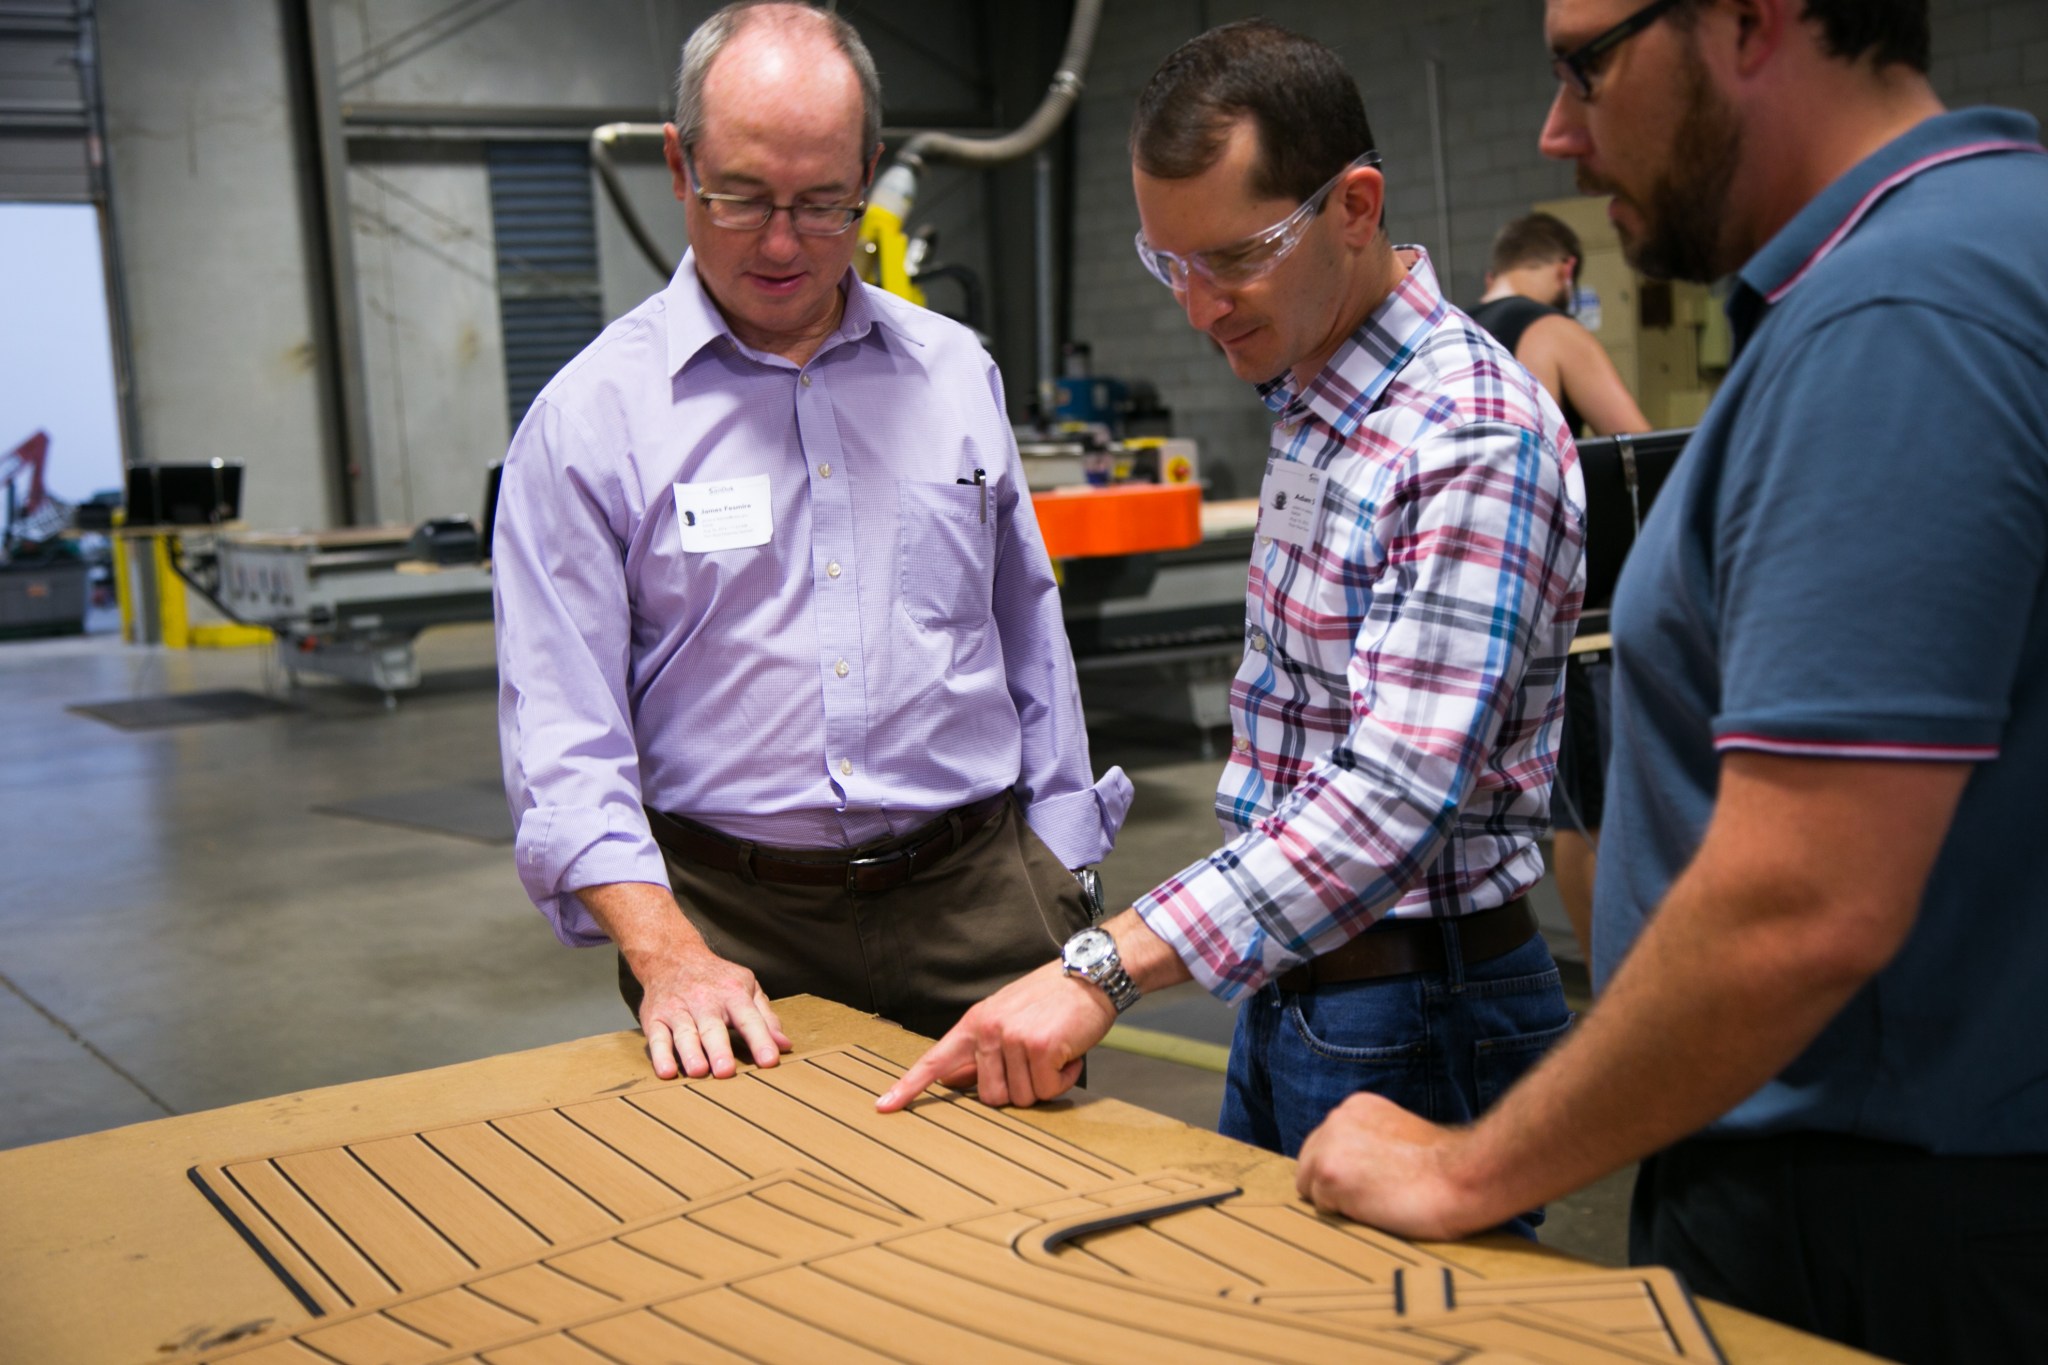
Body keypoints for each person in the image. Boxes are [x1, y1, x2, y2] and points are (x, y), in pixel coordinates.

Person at [1292, 1, 2048, 1358]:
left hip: (1877, 1223)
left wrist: (1472, 1167)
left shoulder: (1895, 316)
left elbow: (1798, 904)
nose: (1559, 131)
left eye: (1587, 62)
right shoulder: (1984, 244)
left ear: (1752, 21)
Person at [881, 21, 1585, 1237]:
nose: (1201, 307)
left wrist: (1102, 968)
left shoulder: (1466, 433)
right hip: (1292, 983)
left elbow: (1388, 797)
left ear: (1353, 204)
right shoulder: (1316, 391)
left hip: (1420, 1013)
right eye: (1169, 266)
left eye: (1233, 259)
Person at [492, 1, 1130, 1084]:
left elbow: (1026, 626)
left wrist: (1060, 867)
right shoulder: (588, 419)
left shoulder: (953, 373)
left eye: (824, 203)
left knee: (1012, 1235)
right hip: (731, 934)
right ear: (677, 166)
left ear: (869, 172)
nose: (783, 242)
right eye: (742, 196)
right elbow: (564, 736)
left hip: (978, 904)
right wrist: (668, 955)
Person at [1473, 211, 1652, 962]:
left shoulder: (1454, 335)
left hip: (1489, 618)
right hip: (1578, 621)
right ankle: (1620, 983)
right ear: (1567, 269)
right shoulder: (1549, 331)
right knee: (1597, 814)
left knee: (1553, 810)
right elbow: (1639, 450)